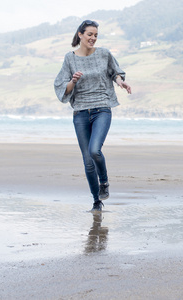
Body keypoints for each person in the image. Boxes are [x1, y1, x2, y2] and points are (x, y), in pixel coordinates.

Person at [54, 20, 132, 212]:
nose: (93, 38)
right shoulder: (70, 59)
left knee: (95, 150)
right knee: (87, 160)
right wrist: (73, 81)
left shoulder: (104, 53)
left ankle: (104, 182)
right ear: (80, 34)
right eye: (90, 34)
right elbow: (62, 86)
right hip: (80, 112)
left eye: (96, 35)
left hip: (102, 109)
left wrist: (120, 82)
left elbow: (115, 72)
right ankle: (97, 201)